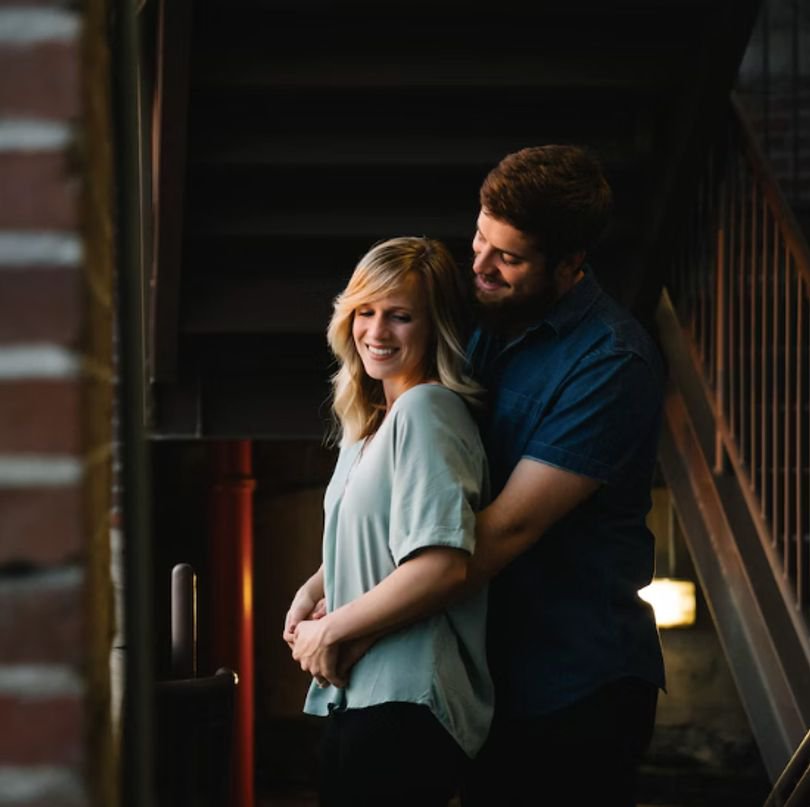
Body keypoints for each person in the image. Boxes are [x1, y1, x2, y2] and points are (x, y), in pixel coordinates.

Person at [459, 144, 666, 806]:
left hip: (577, 689)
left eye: (508, 257)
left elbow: (505, 529)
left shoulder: (613, 361)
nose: (481, 266)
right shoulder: (493, 324)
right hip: (498, 674)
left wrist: (357, 609)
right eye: (480, 239)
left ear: (572, 263)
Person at [283, 236, 493, 807]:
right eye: (365, 312)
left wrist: (331, 628)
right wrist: (314, 590)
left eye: (400, 316)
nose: (377, 332)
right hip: (362, 698)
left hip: (408, 703)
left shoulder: (429, 411)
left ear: (435, 327)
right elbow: (374, 540)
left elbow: (442, 567)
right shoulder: (372, 425)